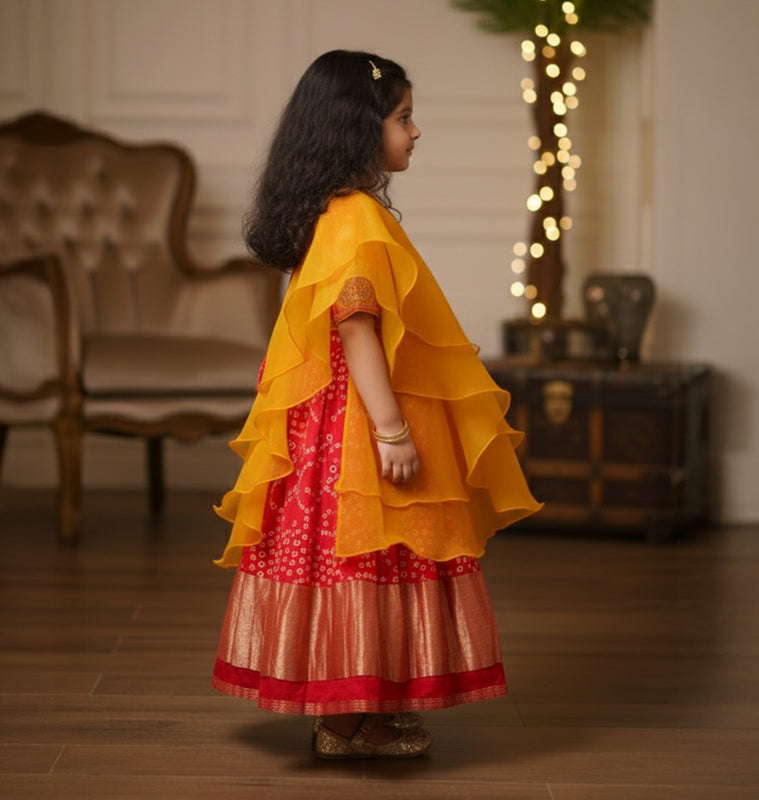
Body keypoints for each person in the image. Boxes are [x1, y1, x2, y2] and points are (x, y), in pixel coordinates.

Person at [211, 49, 541, 760]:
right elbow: (357, 327)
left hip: (329, 420)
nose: (416, 132)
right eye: (403, 118)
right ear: (358, 130)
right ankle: (354, 712)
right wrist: (392, 431)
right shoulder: (356, 217)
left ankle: (350, 712)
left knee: (341, 557)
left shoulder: (331, 212)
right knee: (374, 550)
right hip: (360, 420)